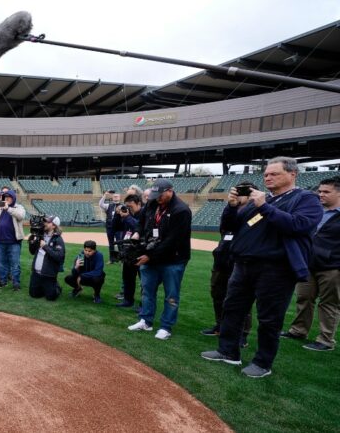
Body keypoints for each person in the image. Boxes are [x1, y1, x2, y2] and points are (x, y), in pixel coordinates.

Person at [201, 157, 322, 378]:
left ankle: (262, 363)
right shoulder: (263, 201)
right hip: (244, 265)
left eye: (274, 174)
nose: (267, 177)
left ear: (292, 174)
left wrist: (264, 207)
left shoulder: (306, 199)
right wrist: (232, 206)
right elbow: (230, 226)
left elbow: (298, 225)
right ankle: (228, 351)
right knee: (232, 309)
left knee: (269, 318)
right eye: (266, 174)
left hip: (276, 269)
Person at [128, 178, 192, 341]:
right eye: (155, 195)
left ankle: (166, 327)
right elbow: (141, 222)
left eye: (160, 195)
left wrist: (149, 255)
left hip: (173, 259)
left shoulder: (181, 210)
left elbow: (172, 241)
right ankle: (146, 320)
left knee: (171, 294)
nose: (157, 198)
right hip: (152, 257)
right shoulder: (152, 203)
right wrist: (137, 233)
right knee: (147, 291)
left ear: (170, 191)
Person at [281, 176, 340, 352]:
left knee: (329, 303)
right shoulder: (315, 211)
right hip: (307, 264)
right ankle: (298, 330)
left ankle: (326, 339)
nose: (320, 195)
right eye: (319, 191)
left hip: (333, 267)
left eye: (326, 192)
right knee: (303, 298)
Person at [201, 181, 256, 348]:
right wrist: (230, 207)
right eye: (237, 191)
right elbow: (225, 227)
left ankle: (242, 334)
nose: (238, 195)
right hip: (222, 260)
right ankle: (220, 325)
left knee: (242, 300)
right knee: (218, 295)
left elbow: (246, 229)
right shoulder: (230, 209)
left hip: (241, 261)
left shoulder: (256, 211)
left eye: (243, 192)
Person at [0, 189, 26, 290]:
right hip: (0, 241)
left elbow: (21, 216)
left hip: (14, 241)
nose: (7, 199)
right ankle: (2, 281)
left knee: (15, 264)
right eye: (5, 197)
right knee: (1, 263)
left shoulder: (19, 207)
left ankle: (16, 283)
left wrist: (8, 208)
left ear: (13, 198)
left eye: (9, 197)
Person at [29, 215, 66, 301]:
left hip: (48, 274)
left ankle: (56, 286)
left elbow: (59, 257)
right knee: (34, 294)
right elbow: (32, 252)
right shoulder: (39, 235)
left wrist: (45, 247)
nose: (44, 223)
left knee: (51, 297)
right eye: (45, 221)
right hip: (36, 273)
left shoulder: (58, 239)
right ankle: (44, 287)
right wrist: (32, 242)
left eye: (47, 222)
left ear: (53, 226)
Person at [116, 194, 142, 307]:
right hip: (128, 251)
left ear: (139, 204)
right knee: (127, 278)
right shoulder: (127, 215)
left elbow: (139, 227)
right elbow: (115, 227)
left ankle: (144, 304)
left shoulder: (144, 214)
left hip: (140, 251)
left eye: (131, 206)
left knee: (144, 281)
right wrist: (118, 215)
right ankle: (128, 300)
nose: (129, 209)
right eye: (127, 206)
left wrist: (127, 217)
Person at [99, 190, 123, 264]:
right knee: (111, 243)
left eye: (117, 196)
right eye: (114, 197)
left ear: (120, 198)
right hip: (110, 228)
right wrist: (105, 195)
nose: (115, 198)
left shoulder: (123, 206)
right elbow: (100, 204)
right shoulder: (108, 206)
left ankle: (122, 259)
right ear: (112, 198)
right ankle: (112, 259)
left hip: (119, 228)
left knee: (120, 243)